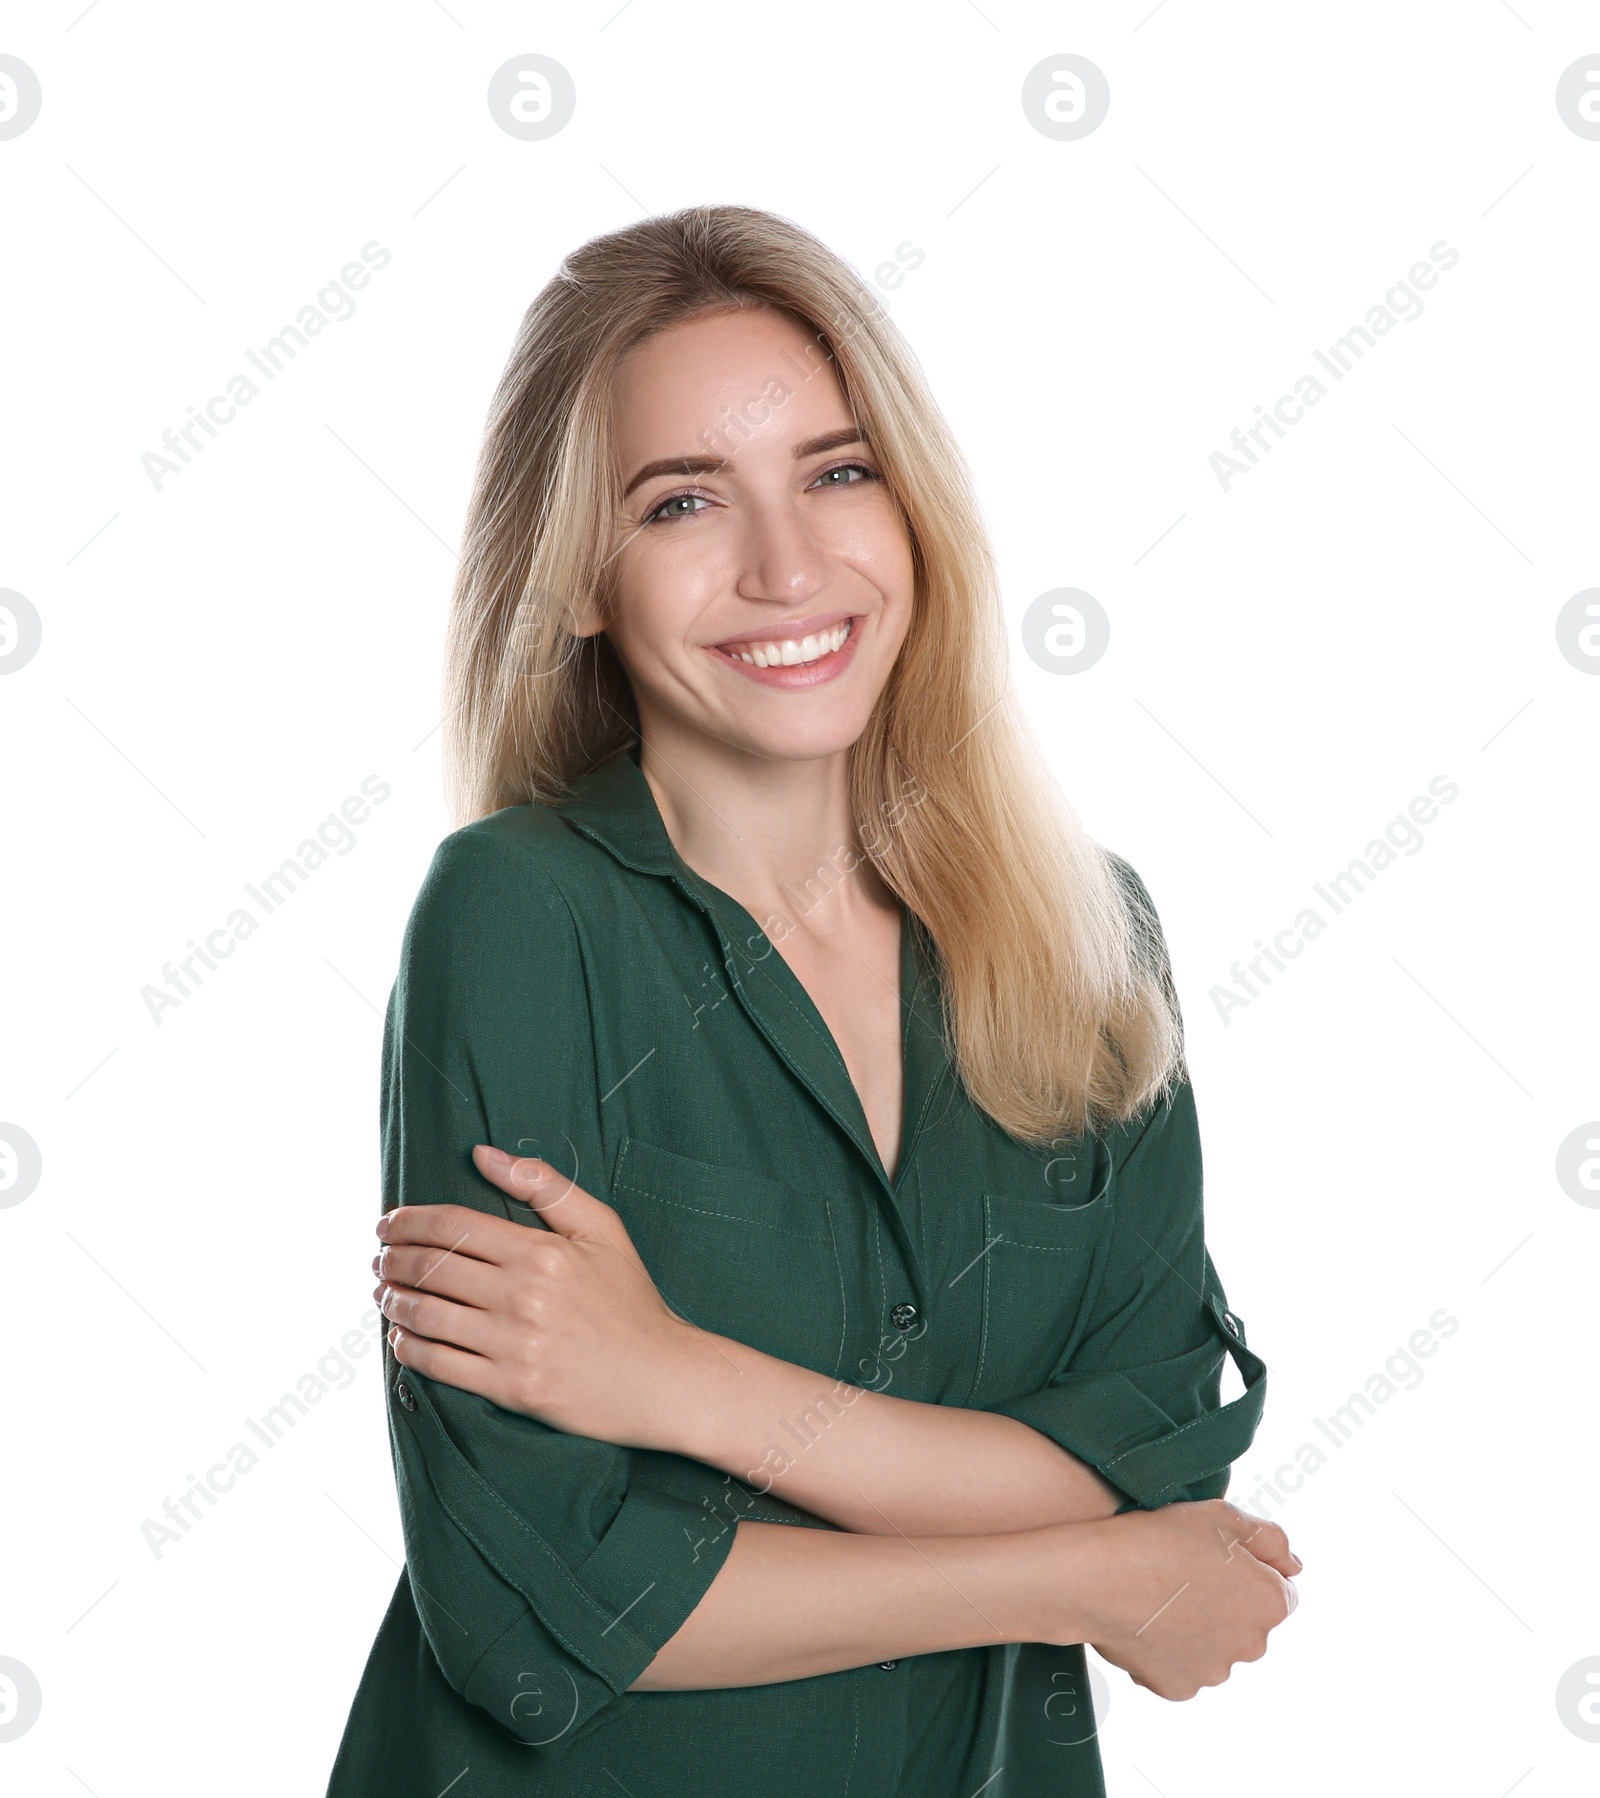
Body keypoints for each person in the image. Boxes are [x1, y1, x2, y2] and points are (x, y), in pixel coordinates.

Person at [326, 203, 1299, 1798]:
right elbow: (542, 1598)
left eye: (838, 472)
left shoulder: (1093, 937)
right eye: (684, 500)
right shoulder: (517, 918)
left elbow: (1154, 1449)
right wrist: (1085, 1570)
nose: (787, 565)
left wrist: (676, 1381)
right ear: (577, 574)